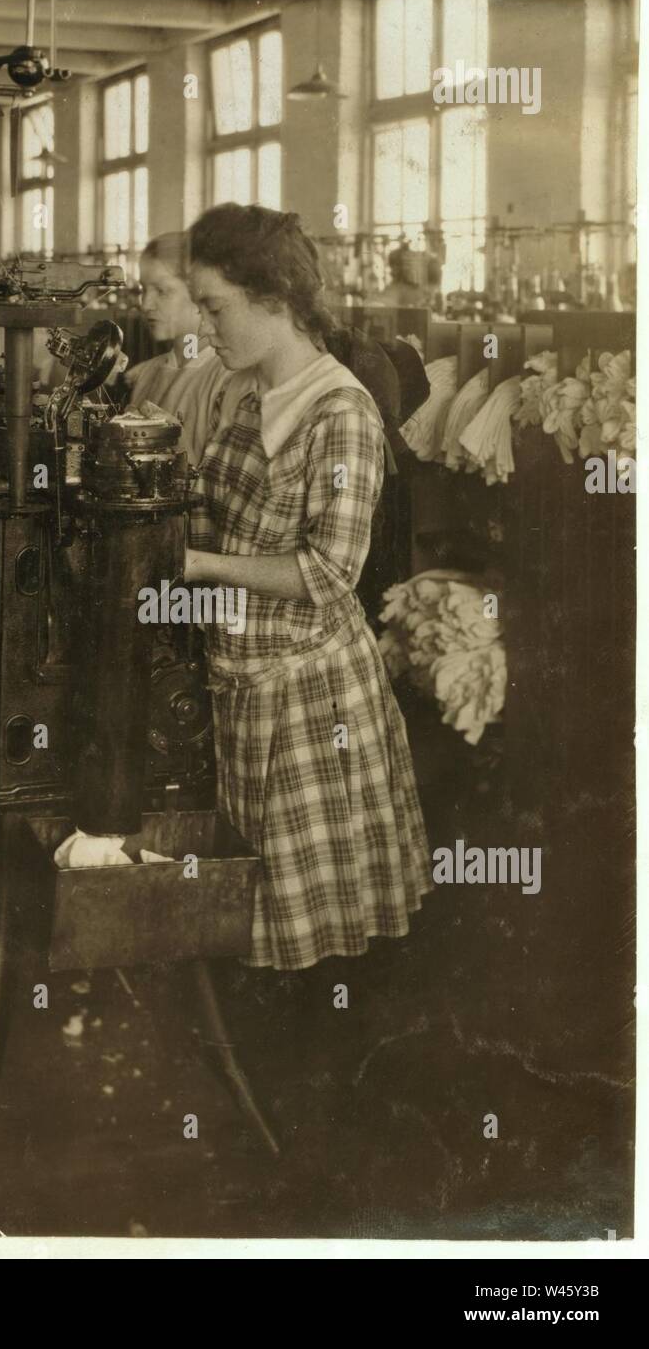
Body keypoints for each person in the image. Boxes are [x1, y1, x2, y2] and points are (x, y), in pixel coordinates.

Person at [184, 203, 431, 972]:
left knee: (311, 927)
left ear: (275, 302)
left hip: (310, 700)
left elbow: (328, 572)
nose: (205, 326)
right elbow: (222, 506)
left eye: (214, 307)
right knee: (251, 902)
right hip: (244, 677)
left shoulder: (340, 413)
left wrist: (196, 567)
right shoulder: (250, 392)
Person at [124, 232, 230, 465]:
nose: (146, 304)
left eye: (162, 291)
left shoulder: (226, 377)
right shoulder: (146, 374)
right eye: (144, 290)